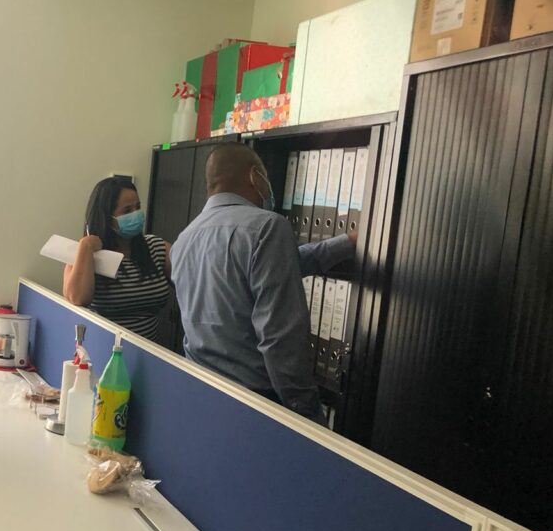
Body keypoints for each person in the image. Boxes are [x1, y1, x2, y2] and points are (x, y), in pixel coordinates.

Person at [170, 143, 355, 422]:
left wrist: (345, 243)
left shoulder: (183, 241)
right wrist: (308, 417)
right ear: (255, 176)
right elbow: (281, 340)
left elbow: (274, 265)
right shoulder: (268, 227)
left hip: (200, 394)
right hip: (252, 408)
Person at [63, 178, 171, 341]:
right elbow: (77, 298)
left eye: (138, 207)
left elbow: (192, 284)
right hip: (104, 350)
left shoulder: (156, 248)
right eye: (127, 210)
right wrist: (86, 246)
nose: (136, 214)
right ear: (106, 217)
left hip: (149, 350)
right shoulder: (85, 254)